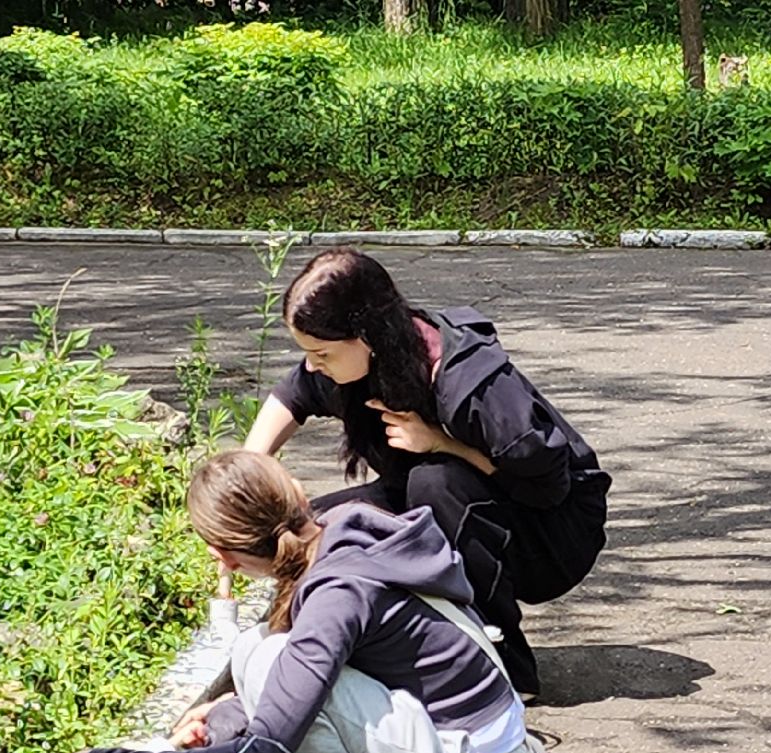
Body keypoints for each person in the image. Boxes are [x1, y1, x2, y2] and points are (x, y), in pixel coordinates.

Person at [26, 450, 547, 753]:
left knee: (268, 657)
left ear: (223, 556)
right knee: (258, 651)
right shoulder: (341, 531)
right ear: (295, 494)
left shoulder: (337, 593)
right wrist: (228, 716)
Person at [243, 247, 610, 700]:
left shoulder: (472, 385)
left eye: (321, 353)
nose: (313, 365)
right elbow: (293, 396)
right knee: (316, 528)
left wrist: (442, 442)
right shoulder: (365, 361)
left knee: (434, 481)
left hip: (551, 531)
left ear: (366, 335)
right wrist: (247, 472)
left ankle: (506, 667)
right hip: (456, 495)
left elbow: (549, 484)